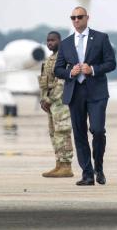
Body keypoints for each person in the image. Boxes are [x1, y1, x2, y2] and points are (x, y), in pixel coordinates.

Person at [54, 6, 117, 186]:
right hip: (75, 92)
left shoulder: (101, 38)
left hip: (96, 91)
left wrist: (93, 69)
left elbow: (111, 63)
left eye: (79, 17)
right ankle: (87, 174)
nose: (76, 20)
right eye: (73, 18)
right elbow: (57, 69)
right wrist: (69, 72)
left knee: (97, 130)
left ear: (87, 18)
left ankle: (99, 166)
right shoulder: (65, 43)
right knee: (80, 134)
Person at [38, 31, 74, 178]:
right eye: (48, 40)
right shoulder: (49, 59)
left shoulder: (63, 58)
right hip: (51, 104)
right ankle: (59, 164)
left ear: (60, 41)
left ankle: (66, 165)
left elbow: (61, 82)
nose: (49, 43)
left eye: (53, 40)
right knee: (54, 133)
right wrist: (43, 99)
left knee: (62, 132)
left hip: (60, 102)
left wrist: (49, 99)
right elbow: (45, 83)